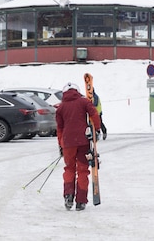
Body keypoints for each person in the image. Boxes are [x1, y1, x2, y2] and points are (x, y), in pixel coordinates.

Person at [56, 82, 101, 211]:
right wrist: (97, 129)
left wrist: (61, 144)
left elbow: (60, 128)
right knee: (83, 171)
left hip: (68, 143)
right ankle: (81, 201)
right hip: (83, 141)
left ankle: (68, 196)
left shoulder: (61, 107)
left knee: (69, 169)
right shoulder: (84, 102)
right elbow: (94, 114)